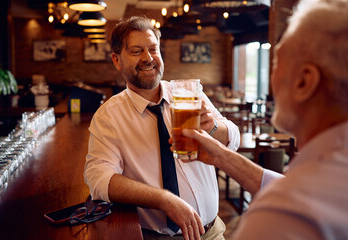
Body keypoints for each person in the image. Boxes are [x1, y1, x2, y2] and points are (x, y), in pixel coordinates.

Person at [180, 0, 348, 239]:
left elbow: (295, 195)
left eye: (277, 61)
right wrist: (222, 156)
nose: (271, 77)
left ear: (304, 81)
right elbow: (292, 186)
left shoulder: (281, 216)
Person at [83, 16, 240, 240]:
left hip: (212, 232)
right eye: (136, 51)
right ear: (117, 61)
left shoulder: (189, 95)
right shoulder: (109, 116)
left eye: (153, 49)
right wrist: (164, 199)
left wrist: (213, 127)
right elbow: (98, 178)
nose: (148, 58)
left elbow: (233, 138)